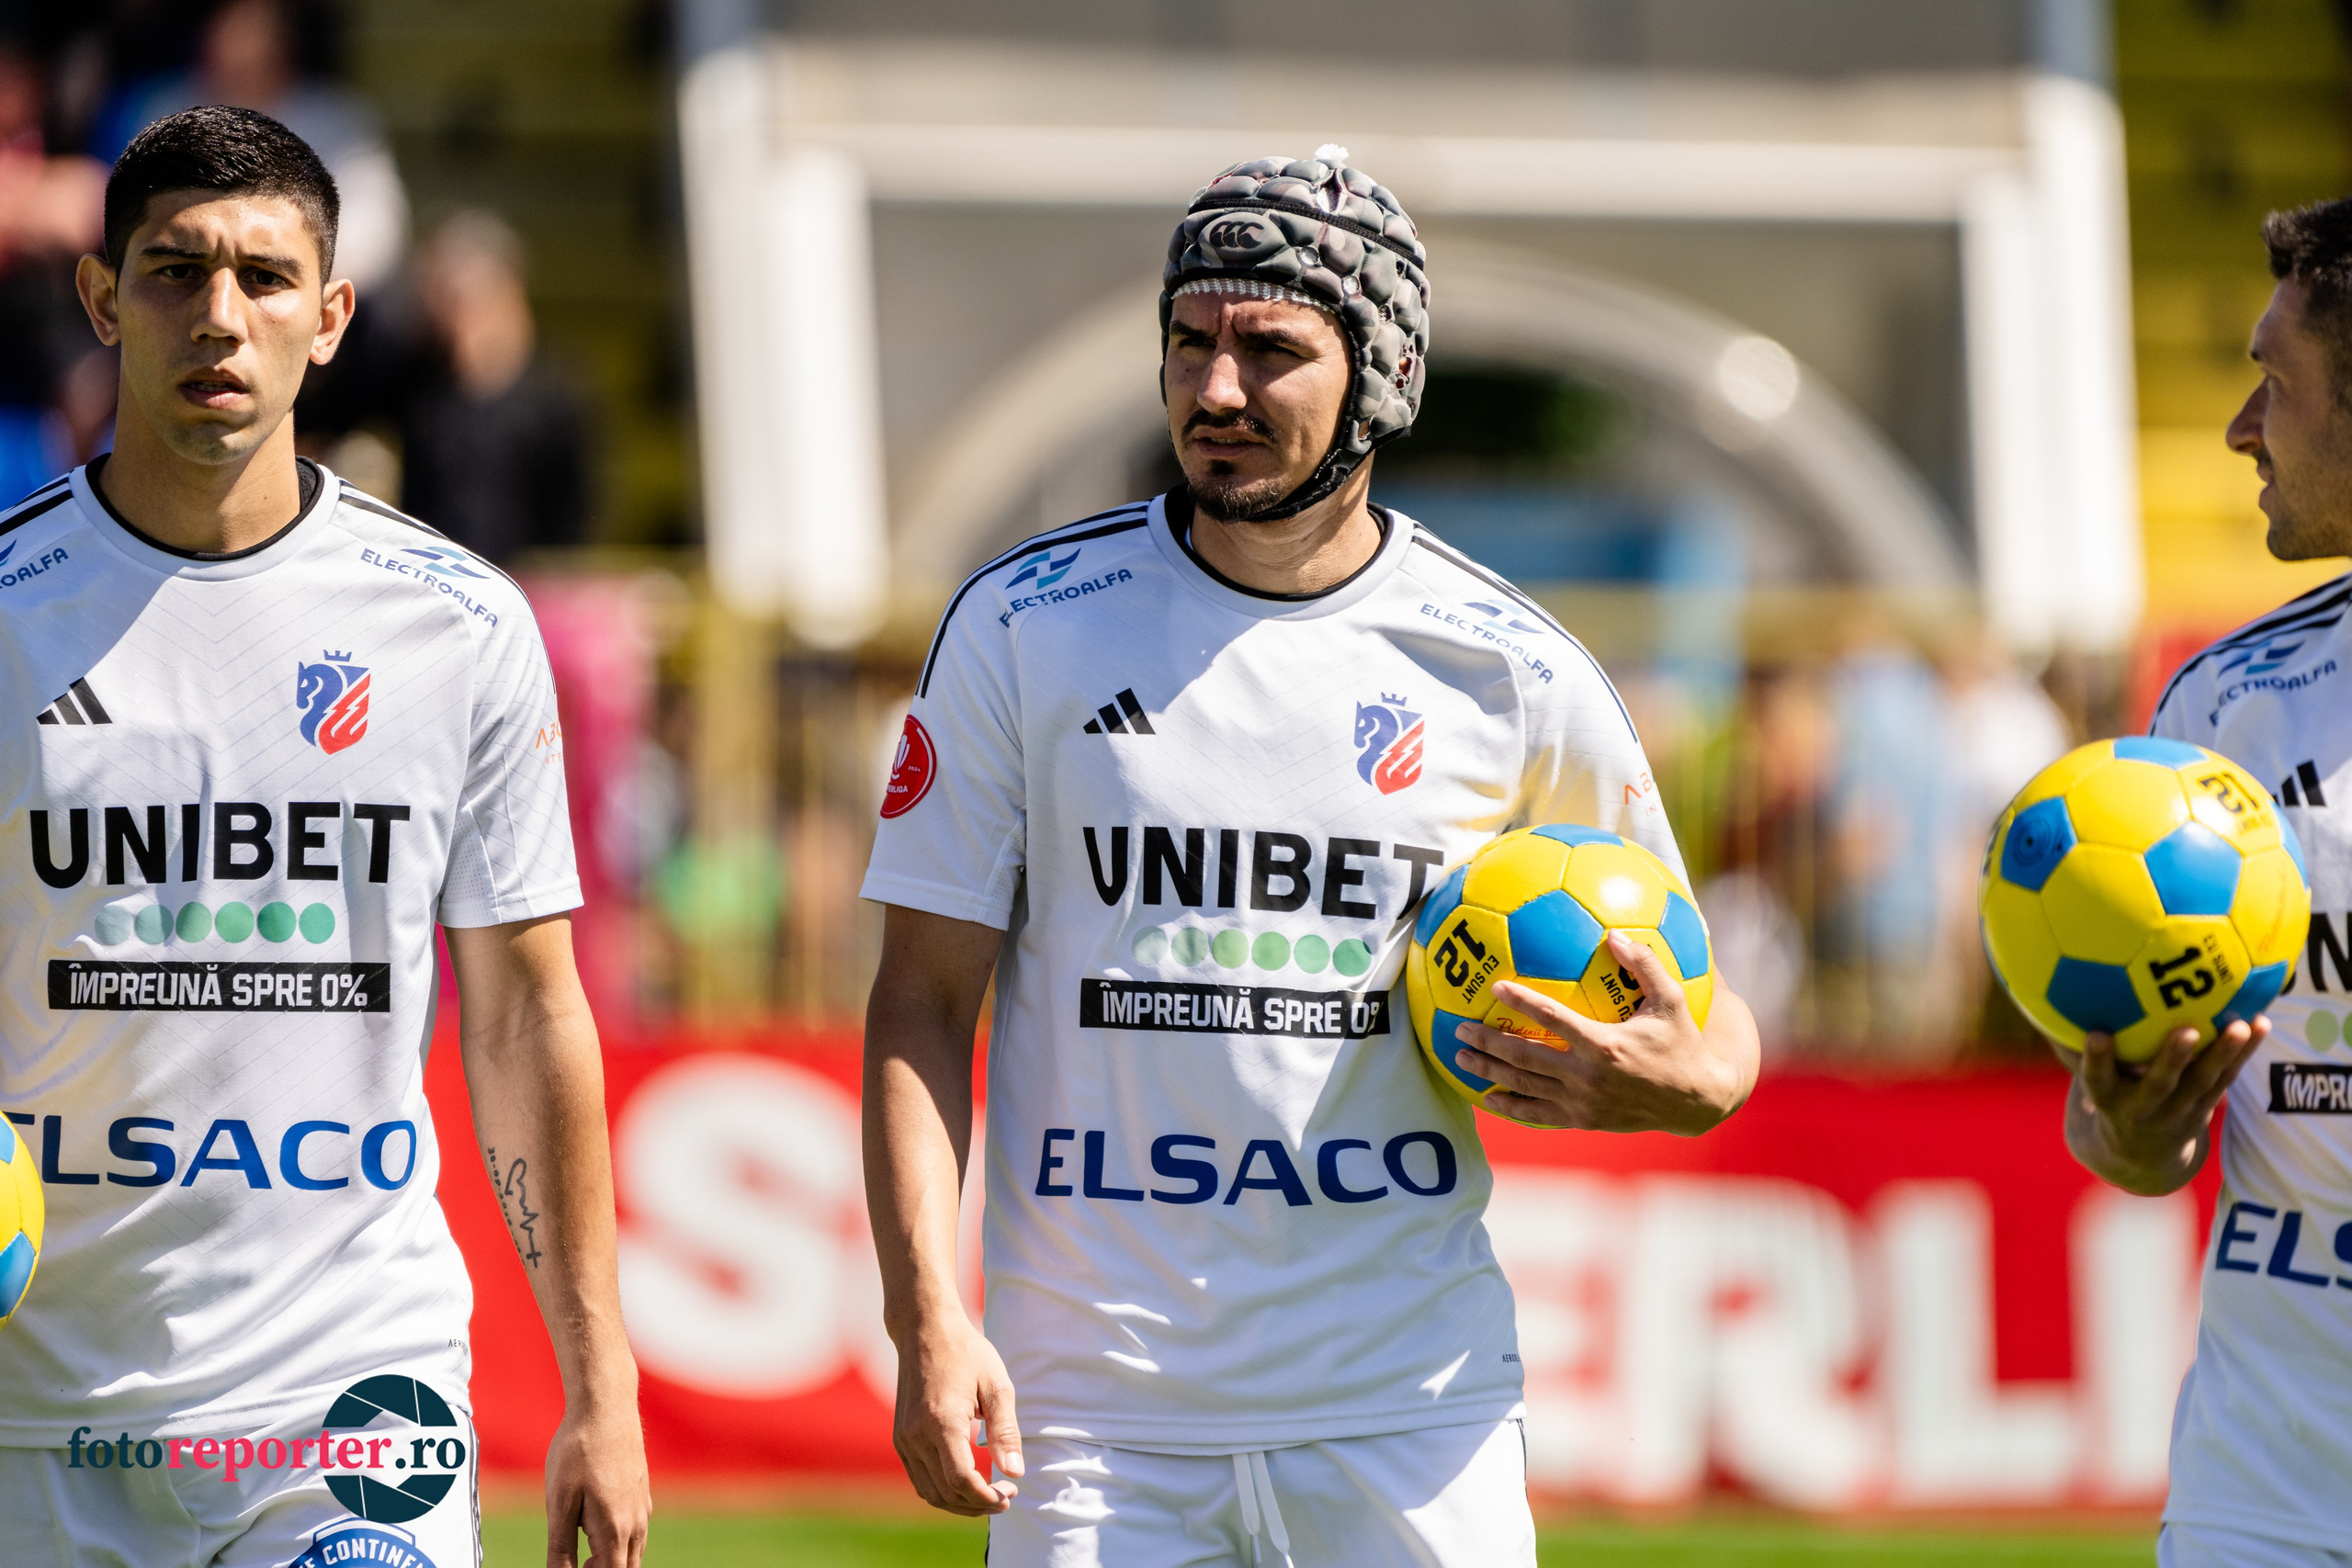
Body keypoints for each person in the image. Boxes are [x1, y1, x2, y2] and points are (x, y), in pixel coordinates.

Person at [861, 147, 1760, 1566]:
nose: (1216, 390)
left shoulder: (1510, 668)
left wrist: (1691, 1081)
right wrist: (928, 1317)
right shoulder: (1026, 625)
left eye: (1270, 349)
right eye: (1189, 343)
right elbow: (919, 1000)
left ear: (1381, 379)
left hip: (1409, 1414)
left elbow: (1706, 1015)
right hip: (1096, 1423)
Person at [0, 107, 647, 1567]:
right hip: (47, 1411)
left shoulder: (463, 625)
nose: (218, 316)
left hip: (355, 1400)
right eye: (172, 270)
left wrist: (601, 1386)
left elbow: (529, 1017)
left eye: (264, 277)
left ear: (334, 316)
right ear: (103, 299)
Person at [2094, 197, 2352, 1568]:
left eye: (2277, 381)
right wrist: (2133, 1136)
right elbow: (2131, 1127)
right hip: (2271, 1483)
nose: (2245, 428)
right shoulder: (2228, 707)